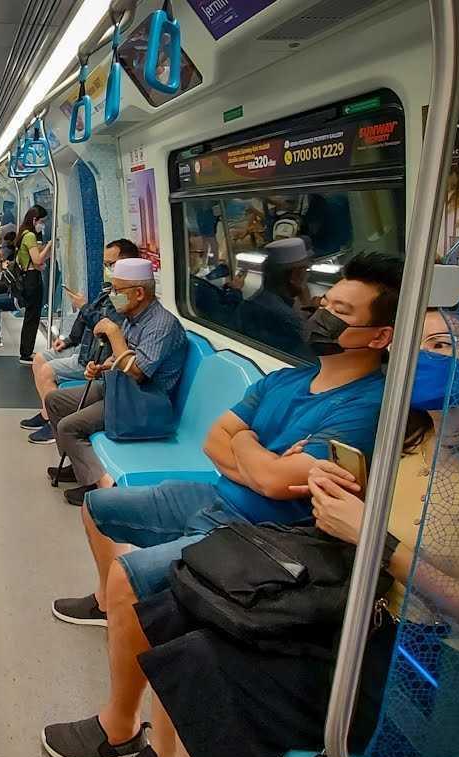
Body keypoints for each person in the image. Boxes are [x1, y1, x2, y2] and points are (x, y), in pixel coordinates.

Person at [47, 299, 459, 757]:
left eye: (447, 347)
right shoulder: (408, 441)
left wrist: (379, 541)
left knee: (213, 664)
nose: (423, 358)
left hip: (440, 676)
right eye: (416, 344)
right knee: (181, 603)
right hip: (367, 618)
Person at [48, 250, 402, 628]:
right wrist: (261, 459)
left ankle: (124, 616)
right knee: (97, 506)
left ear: (380, 336)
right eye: (324, 303)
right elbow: (215, 442)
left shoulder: (368, 404)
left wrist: (244, 441)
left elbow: (272, 480)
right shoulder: (287, 379)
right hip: (218, 495)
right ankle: (107, 606)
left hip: (261, 530)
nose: (321, 316)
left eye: (341, 312)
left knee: (128, 576)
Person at [42, 258, 189, 504]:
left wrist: (113, 332)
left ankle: (98, 484)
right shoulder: (133, 317)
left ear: (139, 293)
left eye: (118, 291)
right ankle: (79, 465)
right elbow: (120, 357)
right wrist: (99, 368)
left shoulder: (162, 325)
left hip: (142, 401)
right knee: (55, 401)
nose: (113, 296)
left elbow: (137, 371)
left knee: (69, 426)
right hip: (118, 387)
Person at [22, 239, 140, 438]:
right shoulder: (108, 290)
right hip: (84, 348)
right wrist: (69, 340)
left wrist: (84, 307)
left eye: (111, 264)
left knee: (46, 371)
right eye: (105, 265)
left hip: (97, 358)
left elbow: (104, 327)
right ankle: (46, 413)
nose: (107, 270)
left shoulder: (124, 298)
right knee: (39, 359)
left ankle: (53, 423)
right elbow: (88, 316)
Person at [0, 205, 52, 363]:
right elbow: (37, 260)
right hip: (32, 280)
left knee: (30, 317)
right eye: (42, 221)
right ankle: (26, 353)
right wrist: (49, 247)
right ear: (35, 220)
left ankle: (25, 350)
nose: (43, 225)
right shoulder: (30, 236)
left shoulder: (23, 234)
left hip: (26, 277)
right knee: (32, 317)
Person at [235, 236, 313, 357]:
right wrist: (308, 305)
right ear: (294, 276)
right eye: (306, 271)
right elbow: (309, 355)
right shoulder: (288, 320)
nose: (307, 277)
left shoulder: (248, 305)